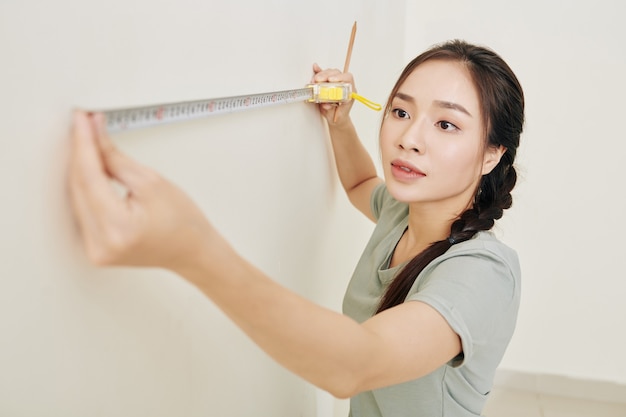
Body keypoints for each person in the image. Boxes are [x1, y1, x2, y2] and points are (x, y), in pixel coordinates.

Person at [68, 39, 524, 417]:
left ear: (492, 153)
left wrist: (193, 248)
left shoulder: (481, 272)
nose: (408, 138)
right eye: (401, 112)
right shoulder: (401, 214)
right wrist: (340, 123)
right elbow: (362, 182)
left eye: (446, 124)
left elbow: (356, 364)